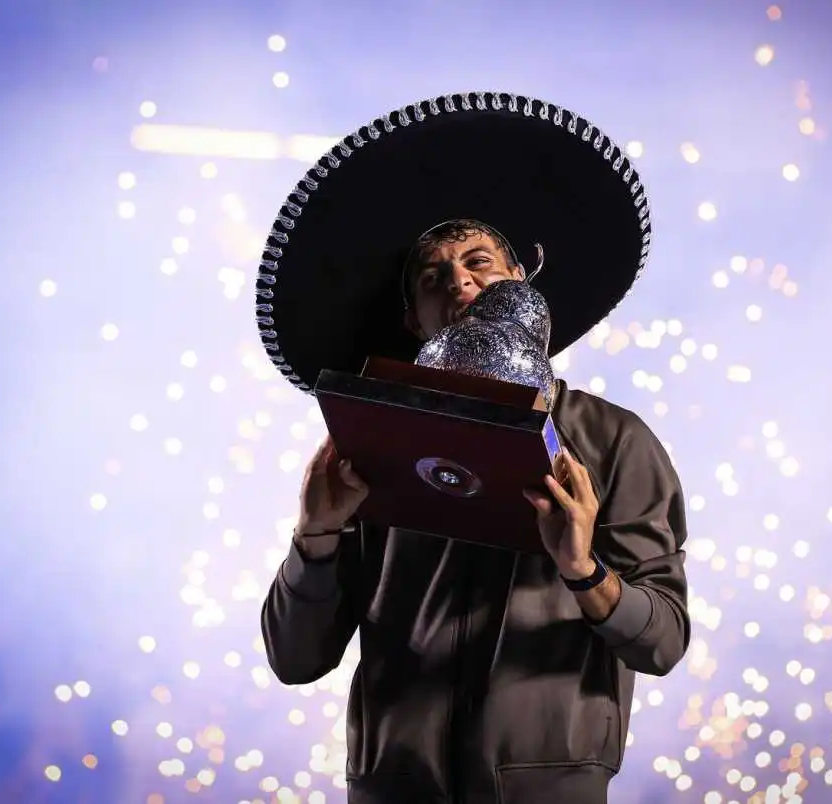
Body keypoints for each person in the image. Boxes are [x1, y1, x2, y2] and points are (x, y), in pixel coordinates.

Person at [257, 93, 691, 804]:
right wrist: (316, 538)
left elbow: (662, 640)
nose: (459, 281)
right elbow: (294, 660)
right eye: (433, 278)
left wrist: (582, 570)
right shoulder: (369, 445)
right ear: (413, 320)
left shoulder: (614, 440)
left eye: (479, 262)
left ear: (521, 283)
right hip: (394, 790)